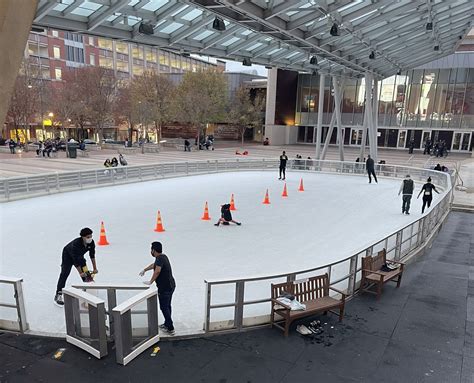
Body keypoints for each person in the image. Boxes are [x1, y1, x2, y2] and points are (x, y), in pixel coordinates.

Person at [139, 241, 176, 335]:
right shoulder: (162, 257)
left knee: (164, 307)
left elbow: (157, 271)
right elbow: (154, 265)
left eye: (151, 250)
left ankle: (170, 327)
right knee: (167, 305)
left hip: (165, 287)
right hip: (171, 285)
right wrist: (145, 269)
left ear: (153, 250)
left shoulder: (159, 259)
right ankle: (167, 323)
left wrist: (150, 281)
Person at [54, 228, 98, 306]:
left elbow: (92, 255)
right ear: (83, 237)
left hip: (79, 256)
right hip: (67, 256)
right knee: (64, 273)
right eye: (88, 237)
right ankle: (58, 294)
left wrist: (95, 268)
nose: (90, 238)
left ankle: (89, 286)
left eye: (91, 236)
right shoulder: (76, 244)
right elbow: (75, 260)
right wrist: (80, 272)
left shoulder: (91, 243)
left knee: (86, 272)